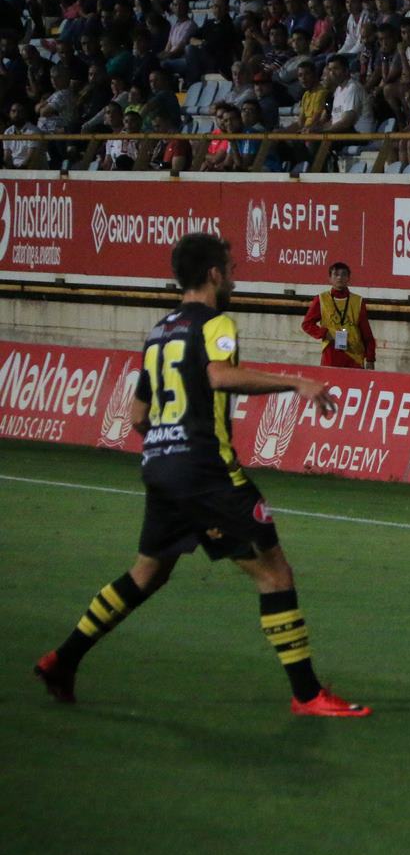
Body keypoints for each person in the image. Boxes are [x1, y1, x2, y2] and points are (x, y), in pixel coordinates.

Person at [33, 234, 370, 718]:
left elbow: (136, 416)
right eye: (231, 268)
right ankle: (308, 694)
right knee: (274, 573)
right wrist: (295, 382)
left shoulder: (158, 331)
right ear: (214, 274)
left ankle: (61, 660)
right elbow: (217, 376)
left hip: (161, 466)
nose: (234, 275)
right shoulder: (215, 323)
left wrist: (171, 439)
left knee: (148, 572)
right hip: (205, 470)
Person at [301, 262, 377, 369]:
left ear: (348, 278)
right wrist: (324, 333)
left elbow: (367, 334)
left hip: (354, 356)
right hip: (331, 354)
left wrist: (370, 359)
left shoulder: (358, 301)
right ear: (330, 279)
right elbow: (307, 324)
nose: (340, 277)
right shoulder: (321, 299)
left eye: (343, 274)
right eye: (336, 274)